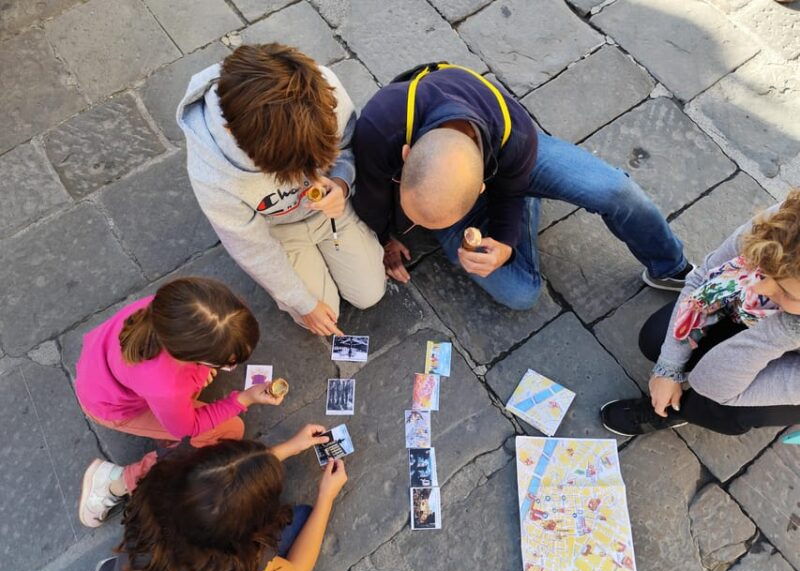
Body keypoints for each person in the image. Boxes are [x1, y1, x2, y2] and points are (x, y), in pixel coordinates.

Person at [351, 63, 693, 310]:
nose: (420, 228)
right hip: (478, 173)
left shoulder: (517, 134)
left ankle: (671, 267)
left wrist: (503, 242)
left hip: (511, 160)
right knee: (521, 294)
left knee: (616, 190)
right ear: (406, 154)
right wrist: (385, 238)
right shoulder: (379, 126)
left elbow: (508, 189)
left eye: (431, 225)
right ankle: (528, 198)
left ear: (481, 188)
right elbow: (370, 197)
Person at [177, 43, 386, 337]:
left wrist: (341, 182)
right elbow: (251, 248)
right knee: (323, 312)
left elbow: (347, 145)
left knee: (369, 294)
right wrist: (302, 303)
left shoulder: (324, 92)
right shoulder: (212, 175)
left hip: (332, 214)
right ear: (232, 133)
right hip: (276, 231)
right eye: (289, 168)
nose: (306, 176)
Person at [76, 277, 284, 528]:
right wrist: (244, 398)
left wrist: (202, 370)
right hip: (112, 407)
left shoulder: (175, 310)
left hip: (100, 372)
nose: (230, 366)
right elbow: (189, 428)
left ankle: (166, 426)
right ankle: (115, 482)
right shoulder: (167, 386)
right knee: (230, 431)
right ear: (190, 354)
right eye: (227, 362)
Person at [601, 190, 800, 436]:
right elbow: (702, 277)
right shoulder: (789, 225)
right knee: (656, 339)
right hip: (748, 313)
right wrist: (668, 368)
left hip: (788, 351)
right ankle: (676, 392)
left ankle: (677, 410)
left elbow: (711, 383)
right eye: (763, 269)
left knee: (727, 409)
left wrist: (787, 329)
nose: (759, 287)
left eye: (787, 291)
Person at [94, 427, 349, 571]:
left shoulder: (158, 489)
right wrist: (326, 497)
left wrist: (285, 450)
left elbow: (218, 482)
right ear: (240, 534)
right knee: (303, 517)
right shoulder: (226, 566)